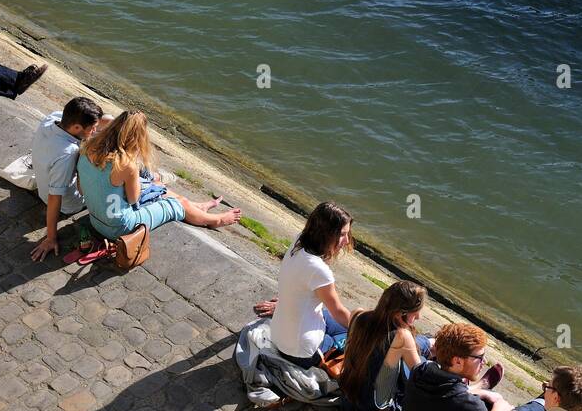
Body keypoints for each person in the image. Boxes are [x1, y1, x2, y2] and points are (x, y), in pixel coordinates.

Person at [77, 109, 242, 244]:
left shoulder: (86, 148)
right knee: (176, 204)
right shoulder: (126, 164)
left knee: (159, 189)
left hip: (96, 220)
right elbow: (134, 199)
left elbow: (82, 189)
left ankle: (198, 208)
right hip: (120, 228)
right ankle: (216, 220)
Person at [253, 202, 354, 367]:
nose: (346, 240)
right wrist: (371, 332)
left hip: (279, 335)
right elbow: (339, 312)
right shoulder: (319, 270)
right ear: (327, 234)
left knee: (344, 320)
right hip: (302, 350)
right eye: (342, 234)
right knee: (357, 338)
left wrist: (288, 304)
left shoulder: (300, 241)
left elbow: (298, 284)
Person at [339, 281, 433, 411]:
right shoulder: (401, 335)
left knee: (424, 343)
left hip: (348, 398)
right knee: (422, 359)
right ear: (401, 313)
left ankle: (431, 342)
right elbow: (420, 378)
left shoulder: (358, 315)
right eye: (416, 311)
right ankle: (433, 344)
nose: (419, 317)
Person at [29, 96, 104, 262]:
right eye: (92, 128)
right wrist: (50, 238)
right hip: (69, 203)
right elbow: (54, 197)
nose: (94, 131)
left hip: (43, 184)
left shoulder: (52, 119)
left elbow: (97, 124)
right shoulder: (67, 154)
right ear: (77, 127)